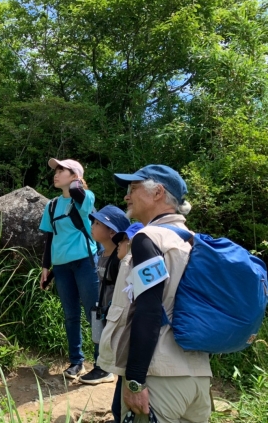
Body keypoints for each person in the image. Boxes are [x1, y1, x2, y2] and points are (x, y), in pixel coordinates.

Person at [97, 165, 212, 423]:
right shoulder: (194, 241)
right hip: (198, 378)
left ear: (158, 192)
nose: (127, 196)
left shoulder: (148, 238)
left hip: (160, 378)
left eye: (133, 188)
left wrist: (135, 380)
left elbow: (148, 310)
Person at [39, 158, 99, 380]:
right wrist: (46, 267)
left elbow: (79, 192)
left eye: (62, 170)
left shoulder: (86, 197)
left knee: (94, 312)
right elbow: (49, 237)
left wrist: (78, 181)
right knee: (70, 315)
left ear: (75, 176)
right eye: (56, 170)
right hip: (61, 266)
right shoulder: (52, 205)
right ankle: (76, 363)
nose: (56, 173)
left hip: (85, 262)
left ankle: (102, 365)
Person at [79, 205, 130, 385]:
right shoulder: (101, 253)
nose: (92, 226)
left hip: (115, 311)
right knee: (101, 338)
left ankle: (107, 370)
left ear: (111, 232)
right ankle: (103, 367)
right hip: (104, 308)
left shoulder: (120, 258)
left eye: (98, 223)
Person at [107, 221, 144, 422]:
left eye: (123, 240)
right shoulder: (127, 262)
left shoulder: (131, 263)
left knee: (121, 408)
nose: (119, 244)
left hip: (134, 354)